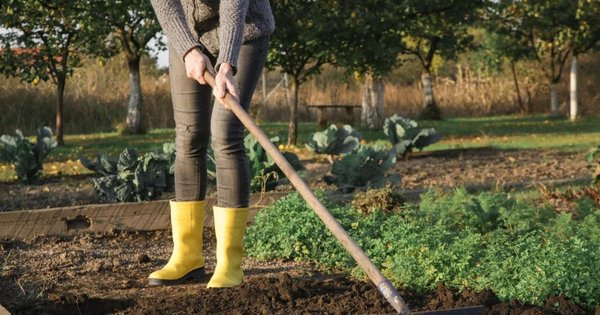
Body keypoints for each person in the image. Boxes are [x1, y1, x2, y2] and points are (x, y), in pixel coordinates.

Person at [148, 0, 274, 288]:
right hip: (190, 33)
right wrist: (188, 48)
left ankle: (230, 264)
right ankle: (187, 257)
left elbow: (234, 5)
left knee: (225, 134)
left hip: (244, 29)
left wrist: (227, 64)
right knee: (189, 134)